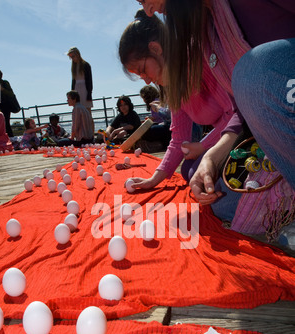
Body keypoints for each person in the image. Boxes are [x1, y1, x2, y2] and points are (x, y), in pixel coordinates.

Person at [137, 0, 295, 204]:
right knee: (222, 203)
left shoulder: (199, 58)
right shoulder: (207, 32)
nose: (148, 11)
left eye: (144, 0)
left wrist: (204, 146)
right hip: (257, 127)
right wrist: (212, 156)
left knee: (251, 72)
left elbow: (245, 93)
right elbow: (242, 107)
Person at [119, 11, 242, 223]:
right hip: (223, 143)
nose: (147, 81)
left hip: (245, 134)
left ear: (156, 49)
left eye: (143, 70)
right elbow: (178, 140)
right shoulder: (175, 86)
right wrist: (153, 179)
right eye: (141, 77)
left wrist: (204, 147)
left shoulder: (199, 61)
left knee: (220, 201)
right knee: (188, 169)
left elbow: (237, 113)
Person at [139, 84, 172, 151]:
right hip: (167, 126)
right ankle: (161, 144)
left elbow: (164, 116)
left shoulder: (154, 103)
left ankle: (161, 144)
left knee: (149, 131)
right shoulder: (159, 100)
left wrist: (153, 117)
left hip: (168, 127)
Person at [0, 68, 20, 137]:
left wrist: (2, 89)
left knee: (6, 123)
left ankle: (10, 138)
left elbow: (11, 94)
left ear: (0, 75)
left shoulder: (4, 83)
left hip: (6, 105)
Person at [67, 47, 93, 112]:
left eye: (73, 56)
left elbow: (89, 81)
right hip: (76, 91)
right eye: (71, 57)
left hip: (85, 90)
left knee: (87, 112)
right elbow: (73, 81)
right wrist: (72, 95)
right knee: (78, 111)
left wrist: (89, 94)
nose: (72, 59)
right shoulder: (74, 67)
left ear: (77, 54)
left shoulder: (86, 65)